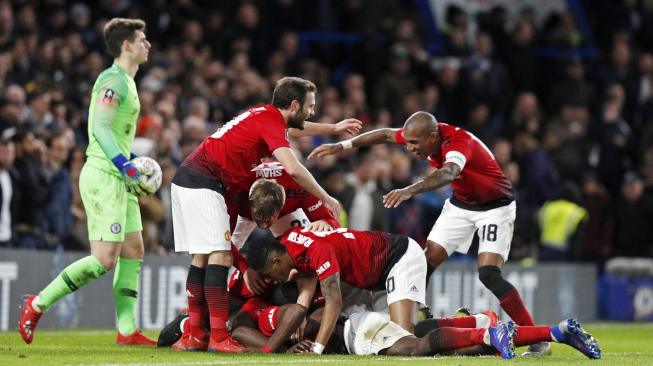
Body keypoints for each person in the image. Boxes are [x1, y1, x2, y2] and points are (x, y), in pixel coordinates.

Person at [309, 111, 549, 355]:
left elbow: (448, 173)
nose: (410, 149)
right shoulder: (421, 133)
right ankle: (421, 313)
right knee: (425, 260)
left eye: (414, 144)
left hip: (495, 206)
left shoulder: (458, 143)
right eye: (409, 142)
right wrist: (342, 145)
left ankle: (535, 336)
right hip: (461, 205)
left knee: (488, 273)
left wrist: (410, 190)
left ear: (432, 136)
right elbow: (385, 134)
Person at [171, 76, 361, 353]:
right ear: (294, 105)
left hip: (189, 179)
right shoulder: (270, 121)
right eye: (310, 106)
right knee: (221, 256)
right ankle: (219, 337)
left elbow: (295, 129)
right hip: (206, 181)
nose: (312, 111)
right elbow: (294, 168)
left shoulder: (264, 116)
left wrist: (333, 128)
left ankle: (197, 334)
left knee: (201, 257)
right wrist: (325, 196)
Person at [19, 18, 156, 345]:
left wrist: (129, 165)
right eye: (142, 39)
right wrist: (126, 164)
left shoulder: (128, 81)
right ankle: (35, 304)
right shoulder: (113, 80)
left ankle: (127, 331)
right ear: (127, 45)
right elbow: (100, 128)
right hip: (106, 174)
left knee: (134, 249)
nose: (148, 45)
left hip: (120, 176)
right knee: (104, 259)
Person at [171, 175, 339, 351]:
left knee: (307, 250)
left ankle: (196, 324)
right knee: (216, 252)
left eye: (270, 219)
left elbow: (329, 239)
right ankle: (192, 324)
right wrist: (244, 269)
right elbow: (223, 243)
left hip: (286, 295)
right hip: (256, 292)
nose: (265, 226)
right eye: (260, 217)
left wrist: (326, 220)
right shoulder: (236, 197)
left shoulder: (297, 190)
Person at [247, 223, 427, 355]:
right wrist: (300, 314)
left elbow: (334, 302)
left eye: (268, 273)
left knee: (404, 338)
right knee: (393, 340)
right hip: (373, 276)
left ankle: (447, 328)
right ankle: (432, 323)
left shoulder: (318, 252)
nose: (271, 280)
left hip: (398, 258)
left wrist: (316, 350)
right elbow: (306, 275)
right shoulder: (290, 241)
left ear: (277, 261)